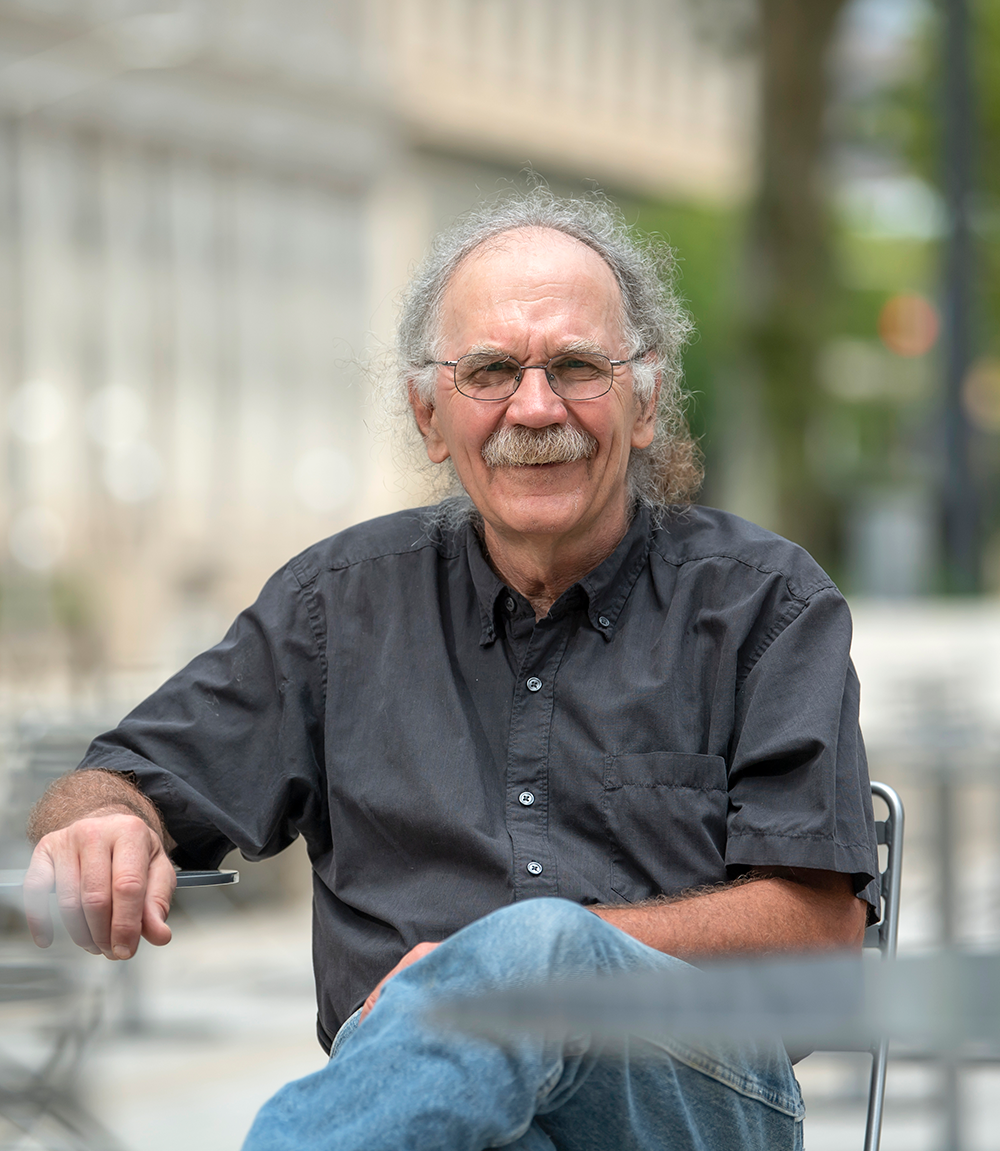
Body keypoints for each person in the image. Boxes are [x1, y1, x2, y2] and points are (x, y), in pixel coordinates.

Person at [24, 191, 878, 1151]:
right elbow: (124, 777)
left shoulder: (768, 604)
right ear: (430, 417)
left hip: (689, 1102)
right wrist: (98, 820)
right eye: (492, 371)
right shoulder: (333, 607)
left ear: (643, 403)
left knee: (535, 950)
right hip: (422, 1118)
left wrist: (521, 968)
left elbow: (821, 939)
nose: (536, 405)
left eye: (578, 367)